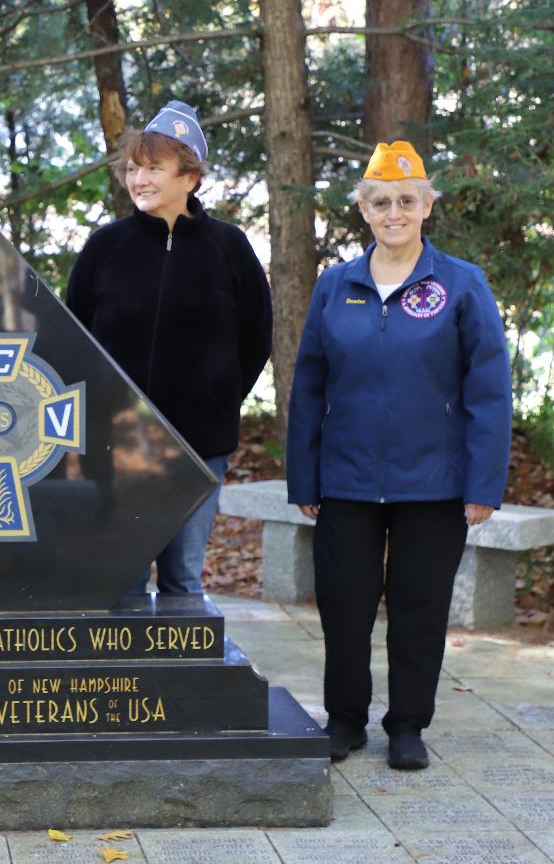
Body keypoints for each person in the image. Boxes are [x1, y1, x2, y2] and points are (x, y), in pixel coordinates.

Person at [286, 141, 512, 769]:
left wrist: (482, 484)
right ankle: (345, 720)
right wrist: (303, 475)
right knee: (345, 608)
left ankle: (407, 726)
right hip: (348, 482)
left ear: (426, 207)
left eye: (407, 201)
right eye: (381, 201)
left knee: (419, 611)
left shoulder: (462, 285)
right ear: (364, 209)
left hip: (433, 485)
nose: (395, 212)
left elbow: (489, 391)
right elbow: (308, 386)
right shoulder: (336, 287)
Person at [66, 100, 272, 595]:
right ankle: (121, 675)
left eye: (154, 168)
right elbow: (72, 340)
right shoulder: (104, 248)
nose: (139, 179)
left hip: (197, 446)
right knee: (122, 578)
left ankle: (180, 674)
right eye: (134, 168)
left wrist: (218, 401)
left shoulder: (229, 248)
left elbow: (256, 338)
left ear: (190, 177)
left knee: (183, 577)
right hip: (117, 448)